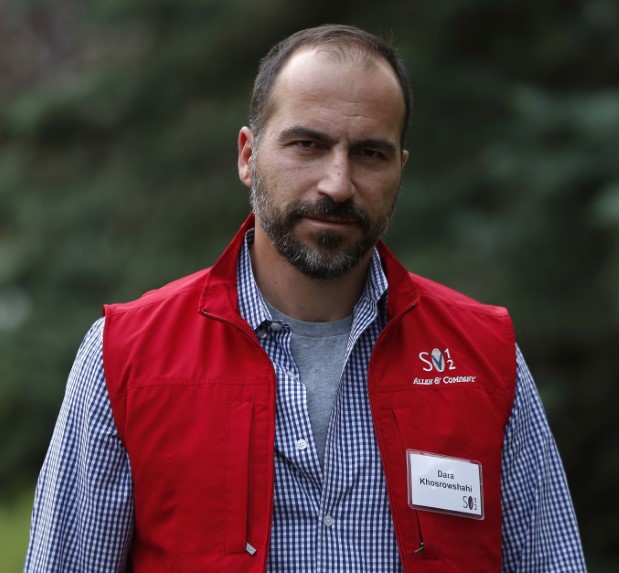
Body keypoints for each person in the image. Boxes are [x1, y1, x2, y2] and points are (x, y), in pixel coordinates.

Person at [25, 24, 586, 572]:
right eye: (307, 145)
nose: (337, 184)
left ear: (400, 171)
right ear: (249, 156)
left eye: (370, 154)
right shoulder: (125, 357)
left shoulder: (483, 357)